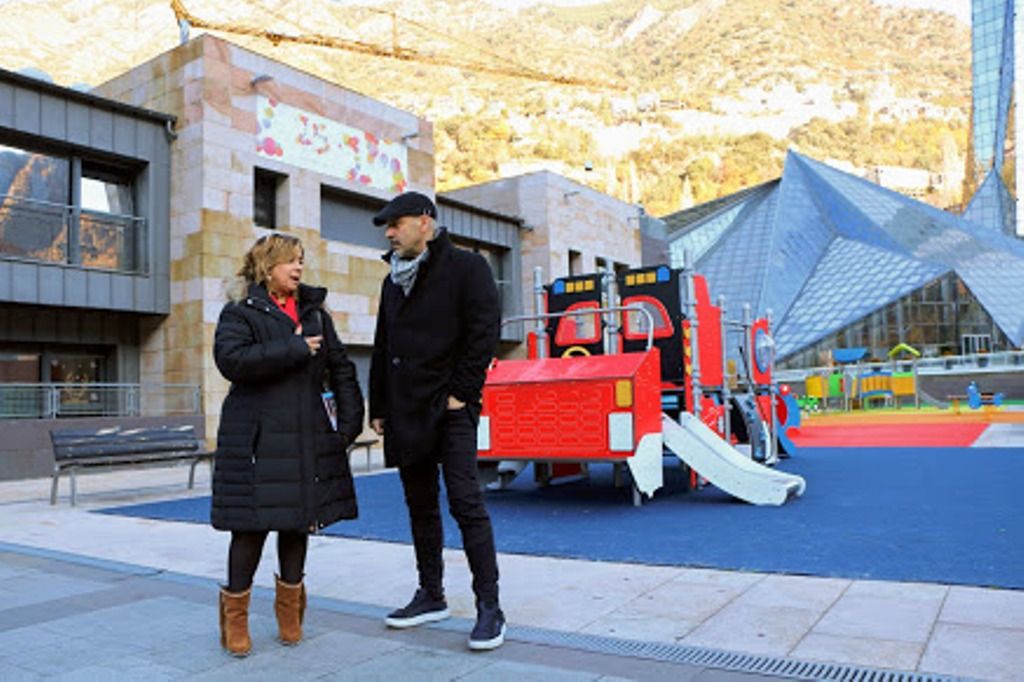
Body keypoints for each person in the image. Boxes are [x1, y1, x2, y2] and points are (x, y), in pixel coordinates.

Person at [211, 233, 364, 657]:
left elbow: (342, 370)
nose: (297, 268)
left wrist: (348, 427)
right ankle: (235, 617)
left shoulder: (316, 314)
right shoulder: (239, 312)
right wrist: (292, 348)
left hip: (306, 436)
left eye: (300, 261)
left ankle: (289, 614)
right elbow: (231, 362)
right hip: (256, 438)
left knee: (298, 523)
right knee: (251, 527)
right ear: (265, 267)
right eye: (289, 262)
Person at [368, 191, 505, 650]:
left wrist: (461, 394)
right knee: (420, 505)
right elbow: (383, 343)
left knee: (466, 502)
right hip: (406, 410)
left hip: (450, 409)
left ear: (425, 222)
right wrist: (380, 406)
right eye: (387, 226)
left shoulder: (468, 267)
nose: (389, 233)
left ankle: (490, 606)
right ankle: (432, 594)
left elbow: (484, 332)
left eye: (396, 223)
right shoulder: (392, 280)